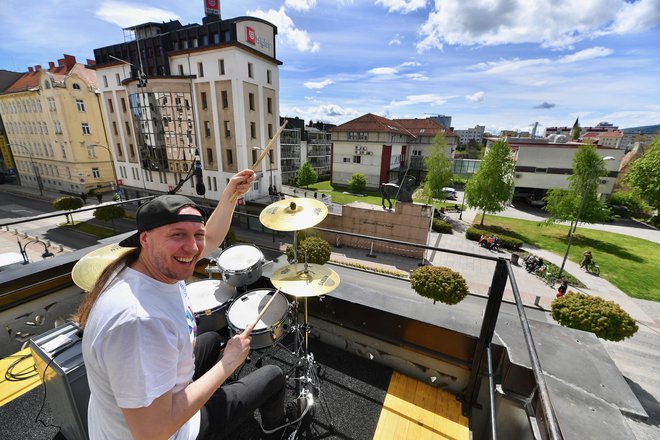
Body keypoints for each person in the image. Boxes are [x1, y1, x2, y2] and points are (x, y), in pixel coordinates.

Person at [74, 169, 305, 440]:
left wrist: (230, 196)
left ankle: (217, 391)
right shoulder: (140, 322)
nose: (193, 248)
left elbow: (211, 239)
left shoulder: (138, 267)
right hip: (173, 432)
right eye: (177, 235)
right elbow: (152, 433)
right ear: (145, 239)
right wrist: (227, 365)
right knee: (273, 376)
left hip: (127, 415)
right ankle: (279, 428)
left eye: (196, 234)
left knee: (207, 339)